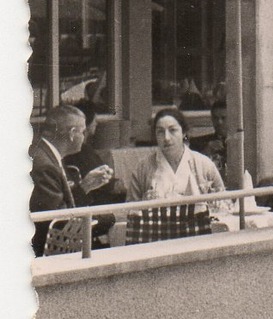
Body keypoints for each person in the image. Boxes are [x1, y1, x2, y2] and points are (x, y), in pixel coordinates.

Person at [30, 104, 115, 255]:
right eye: (83, 132)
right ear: (72, 133)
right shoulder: (45, 165)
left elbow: (58, 206)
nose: (84, 137)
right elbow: (58, 222)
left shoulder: (45, 155)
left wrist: (85, 186)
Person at [126, 106, 226, 210]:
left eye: (172, 130)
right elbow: (130, 208)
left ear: (183, 133)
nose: (166, 138)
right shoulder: (143, 168)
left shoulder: (204, 164)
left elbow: (223, 202)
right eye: (160, 132)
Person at [63, 100, 126, 247]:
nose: (96, 126)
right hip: (92, 205)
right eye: (95, 122)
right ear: (86, 124)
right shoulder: (82, 151)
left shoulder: (69, 151)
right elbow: (107, 184)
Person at [188, 98, 230, 175]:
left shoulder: (242, 144)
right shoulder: (197, 143)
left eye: (223, 118)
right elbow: (190, 169)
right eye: (215, 118)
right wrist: (206, 152)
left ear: (231, 119)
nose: (219, 122)